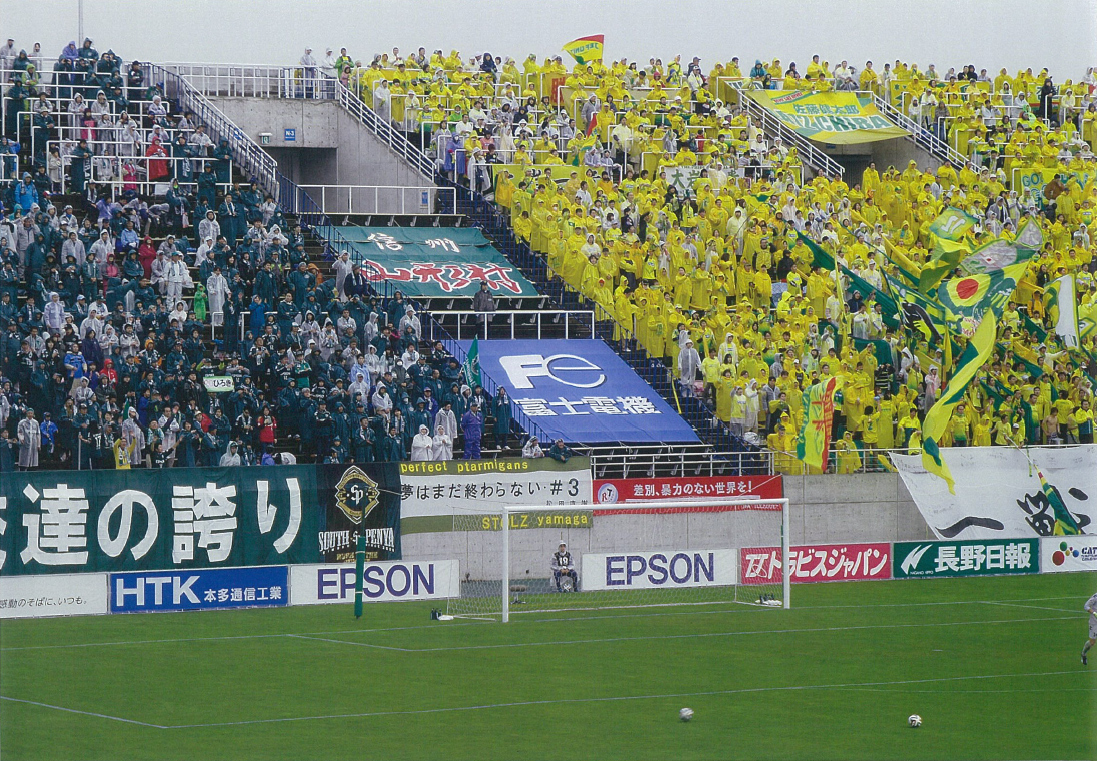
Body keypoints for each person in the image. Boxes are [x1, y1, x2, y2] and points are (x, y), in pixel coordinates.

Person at [1083, 590, 1097, 666]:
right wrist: (1093, 612)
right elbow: (1086, 606)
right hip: (1094, 623)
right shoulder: (1095, 597)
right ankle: (1083, 654)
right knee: (1092, 642)